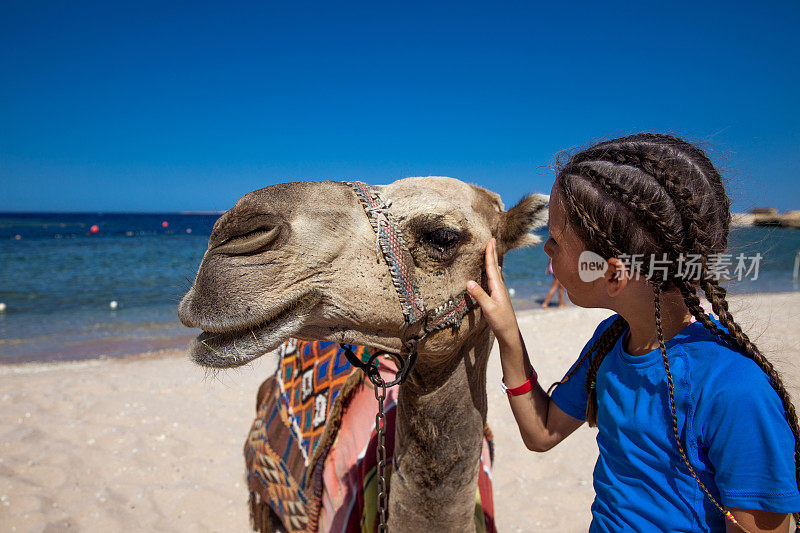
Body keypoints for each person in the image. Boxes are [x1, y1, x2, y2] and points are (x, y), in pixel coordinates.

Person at [466, 134, 800, 532]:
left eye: (555, 240)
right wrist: (508, 333)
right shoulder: (612, 340)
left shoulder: (735, 389)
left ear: (612, 274)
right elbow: (541, 432)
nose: (546, 251)